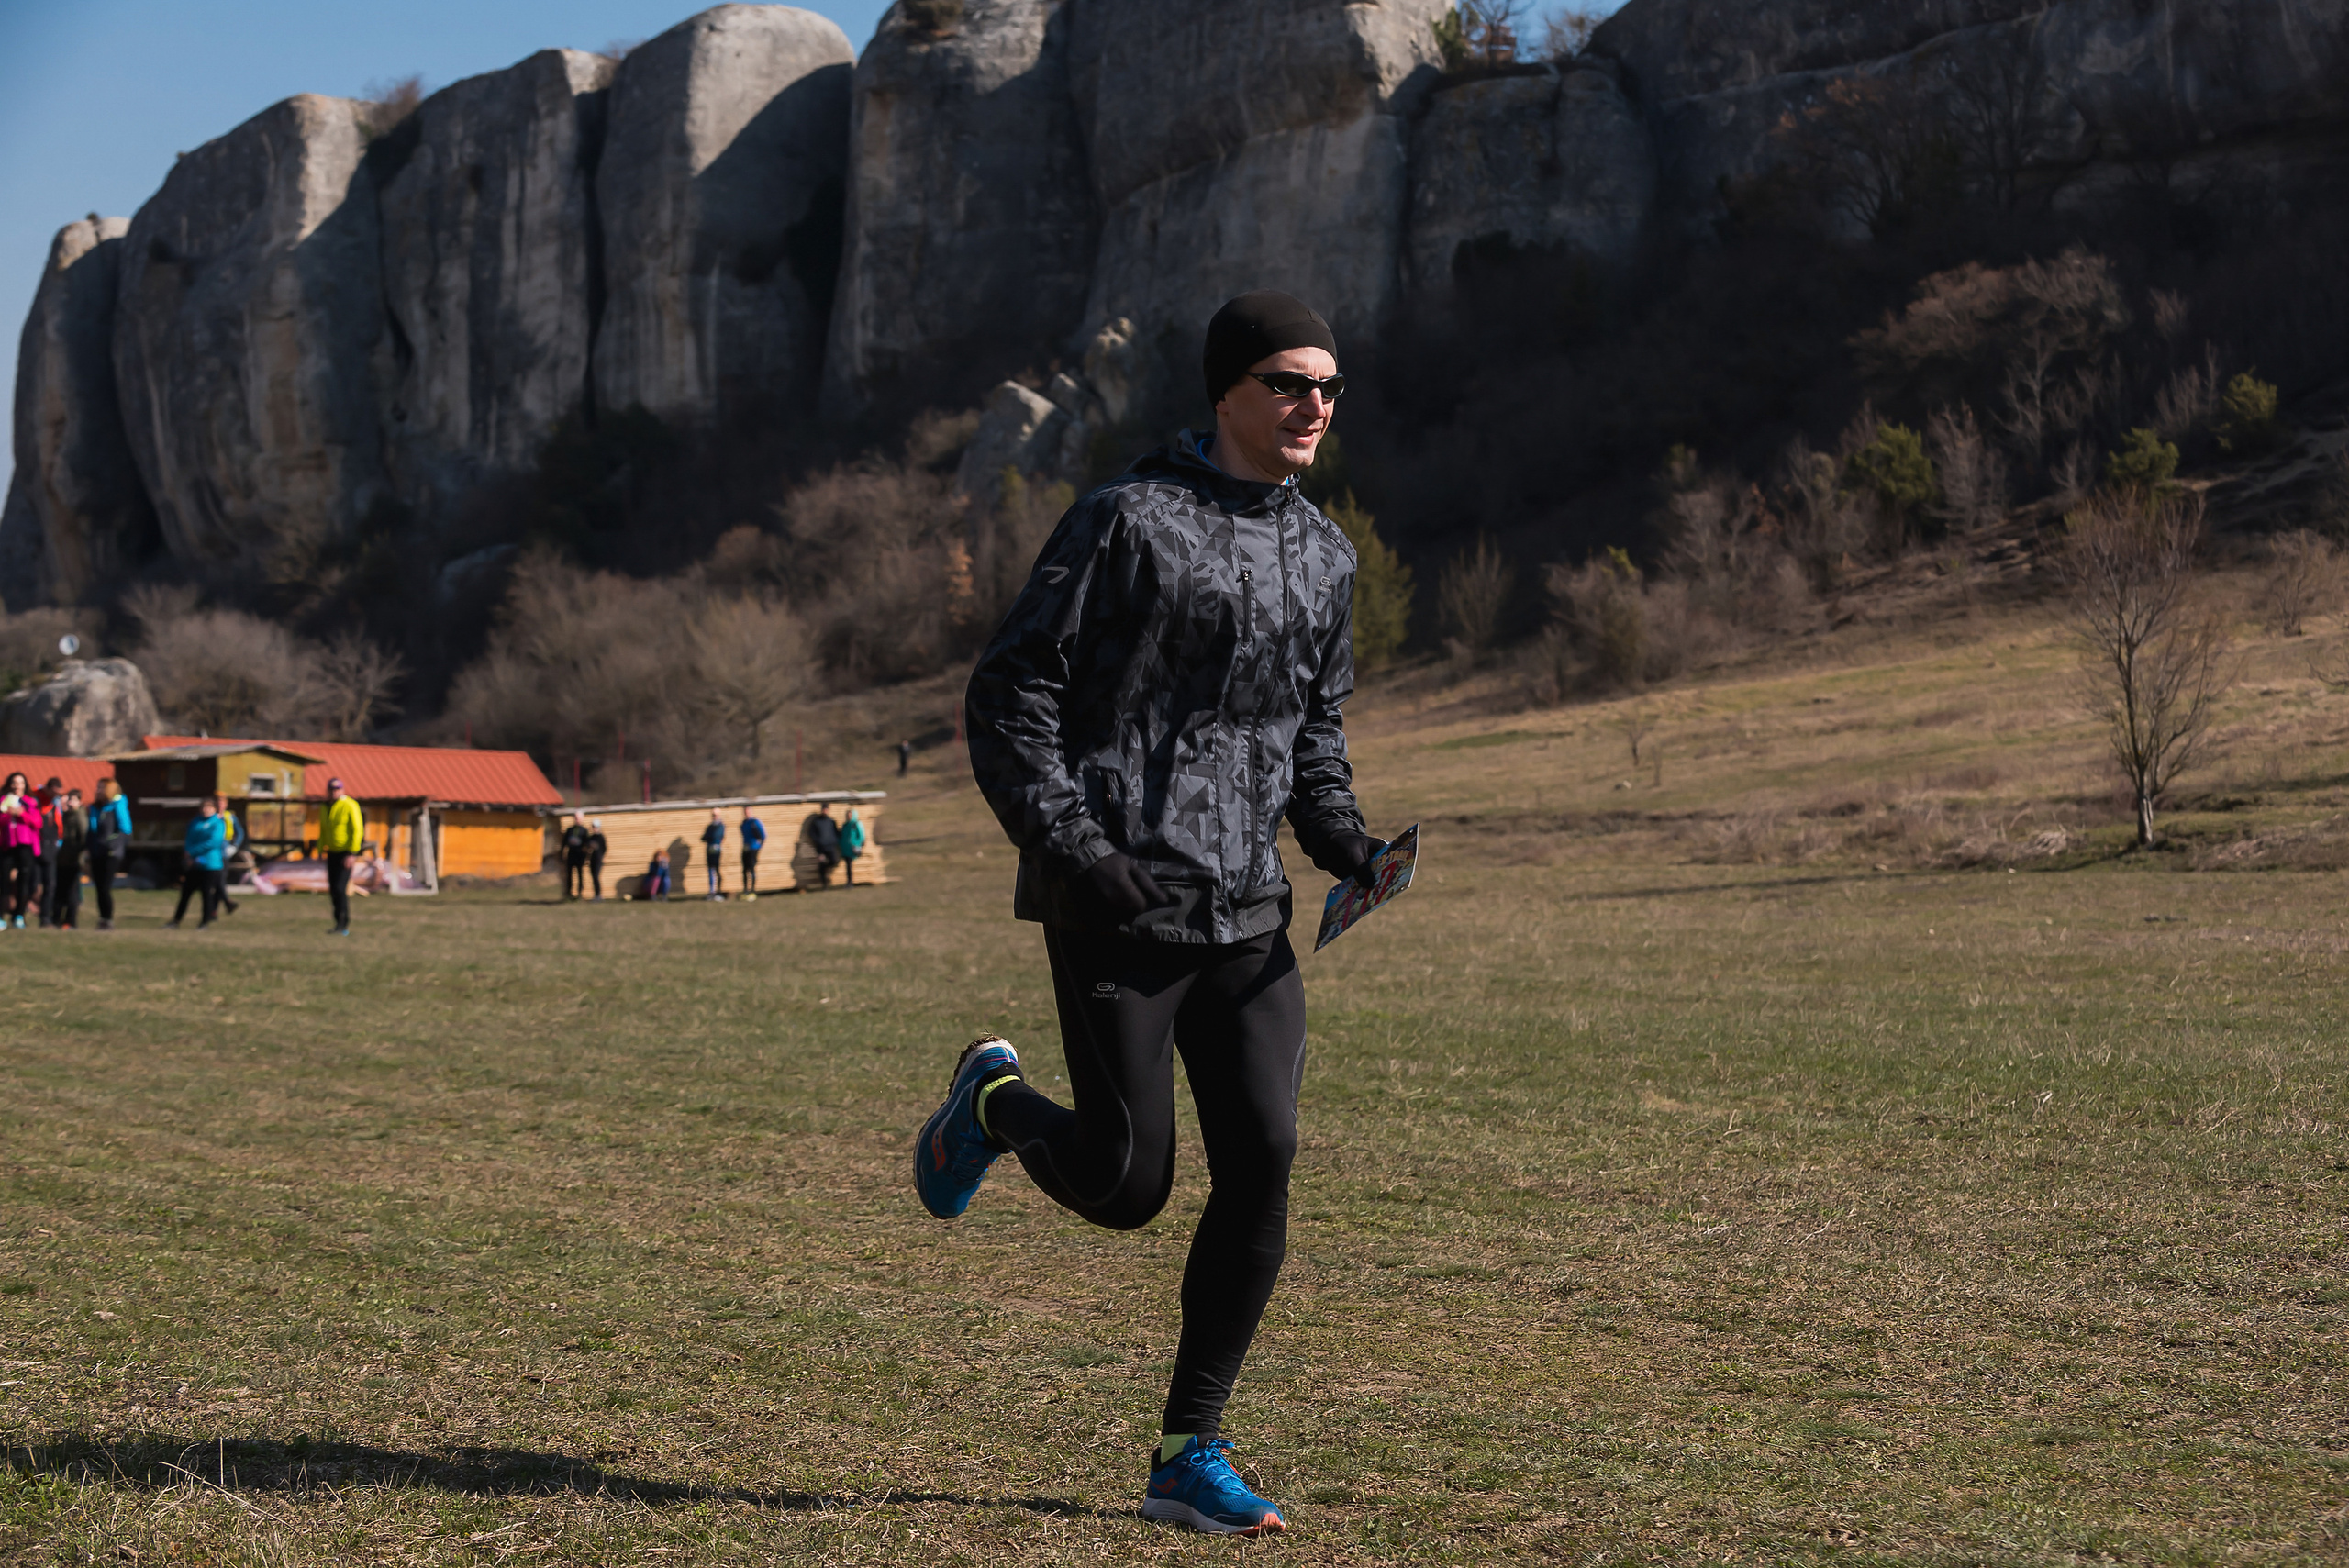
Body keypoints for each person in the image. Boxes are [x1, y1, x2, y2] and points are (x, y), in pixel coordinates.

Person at [918, 291, 1384, 1538]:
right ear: (1228, 388)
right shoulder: (1127, 520)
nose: (1314, 406)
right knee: (1128, 1185)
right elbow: (1012, 689)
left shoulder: (1325, 556)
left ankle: (1190, 1447)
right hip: (1117, 899)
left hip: (1248, 916)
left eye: (1330, 388)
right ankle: (996, 1105)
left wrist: (1345, 840)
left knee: (1266, 1161)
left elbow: (1312, 737)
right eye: (1290, 381)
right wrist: (1073, 845)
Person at [169, 797, 230, 929]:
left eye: (208, 807)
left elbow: (214, 842)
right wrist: (188, 853)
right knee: (185, 894)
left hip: (210, 865)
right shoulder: (195, 822)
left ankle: (204, 922)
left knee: (206, 894)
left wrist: (193, 852)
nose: (205, 810)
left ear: (214, 809)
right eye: (203, 807)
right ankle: (176, 921)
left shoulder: (218, 823)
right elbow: (188, 839)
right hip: (194, 864)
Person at [318, 776, 364, 936]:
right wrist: (320, 848)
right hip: (331, 852)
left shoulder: (350, 805)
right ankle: (337, 922)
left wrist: (352, 853)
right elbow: (323, 830)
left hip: (346, 853)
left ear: (342, 790)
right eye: (331, 789)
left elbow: (357, 830)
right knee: (333, 889)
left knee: (340, 888)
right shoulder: (325, 807)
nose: (334, 792)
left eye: (337, 789)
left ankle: (344, 923)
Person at [88, 777, 130, 931]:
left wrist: (111, 844)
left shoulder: (117, 805)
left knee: (105, 887)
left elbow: (125, 829)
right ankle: (102, 918)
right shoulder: (95, 808)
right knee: (99, 887)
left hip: (112, 853)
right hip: (96, 852)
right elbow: (92, 830)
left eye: (100, 788)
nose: (97, 790)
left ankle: (108, 919)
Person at [1, 772, 38, 929]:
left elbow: (37, 823)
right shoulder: (3, 801)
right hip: (6, 845)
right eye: (14, 783)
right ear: (10, 784)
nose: (17, 786)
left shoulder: (31, 802)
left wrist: (22, 814)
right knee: (3, 881)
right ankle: (1, 916)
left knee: (24, 881)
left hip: (25, 845)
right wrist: (9, 813)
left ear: (25, 785)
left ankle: (19, 915)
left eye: (20, 783)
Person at [51, 788, 85, 930]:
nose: (70, 803)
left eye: (74, 800)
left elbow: (83, 838)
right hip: (61, 860)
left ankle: (70, 921)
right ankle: (56, 919)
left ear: (79, 802)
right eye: (69, 799)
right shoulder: (65, 815)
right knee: (60, 891)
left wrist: (77, 855)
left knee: (72, 893)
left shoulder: (79, 817)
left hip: (73, 861)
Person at [33, 778, 61, 928]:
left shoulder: (55, 806)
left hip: (50, 851)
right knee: (32, 885)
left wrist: (58, 845)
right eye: (54, 792)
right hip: (34, 850)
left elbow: (59, 829)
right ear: (48, 789)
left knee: (50, 886)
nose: (55, 796)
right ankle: (20, 915)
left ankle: (45, 918)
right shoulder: (34, 800)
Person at [802, 802, 840, 886]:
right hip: (820, 848)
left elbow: (836, 832)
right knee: (821, 866)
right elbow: (811, 833)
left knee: (834, 861)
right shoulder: (816, 822)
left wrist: (834, 841)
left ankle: (827, 868)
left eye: (826, 810)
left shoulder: (831, 821)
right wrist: (818, 841)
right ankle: (824, 885)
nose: (824, 811)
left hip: (831, 846)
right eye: (823, 809)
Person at [562, 815, 592, 900]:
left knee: (580, 875)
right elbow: (564, 843)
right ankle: (568, 893)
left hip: (580, 856)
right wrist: (562, 855)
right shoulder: (570, 830)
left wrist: (586, 856)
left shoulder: (584, 831)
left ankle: (580, 893)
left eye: (579, 818)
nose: (577, 820)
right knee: (569, 875)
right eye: (576, 818)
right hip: (571, 856)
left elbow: (587, 844)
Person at [740, 806, 766, 897]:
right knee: (744, 870)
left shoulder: (755, 822)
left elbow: (763, 835)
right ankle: (745, 890)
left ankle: (753, 890)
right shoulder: (743, 824)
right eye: (745, 811)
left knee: (752, 868)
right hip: (746, 848)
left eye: (748, 811)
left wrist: (758, 847)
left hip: (753, 848)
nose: (746, 813)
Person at [700, 809, 726, 900]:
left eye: (715, 815)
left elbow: (716, 836)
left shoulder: (720, 825)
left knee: (716, 870)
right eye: (713, 815)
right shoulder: (710, 826)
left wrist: (709, 837)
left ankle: (719, 891)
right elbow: (703, 837)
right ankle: (712, 891)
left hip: (716, 850)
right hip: (709, 849)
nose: (714, 817)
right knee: (711, 870)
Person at [840, 806, 867, 885]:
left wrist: (856, 844)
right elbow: (843, 836)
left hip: (852, 849)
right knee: (848, 865)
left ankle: (850, 882)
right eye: (848, 815)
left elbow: (861, 836)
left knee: (849, 865)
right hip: (845, 849)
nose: (849, 816)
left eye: (850, 815)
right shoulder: (845, 825)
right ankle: (849, 881)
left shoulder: (856, 824)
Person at [586, 818, 608, 901]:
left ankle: (599, 895)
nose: (594, 829)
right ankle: (596, 895)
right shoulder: (591, 837)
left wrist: (601, 856)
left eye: (595, 827)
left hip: (598, 860)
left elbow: (604, 848)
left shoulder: (601, 837)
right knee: (593, 877)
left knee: (596, 877)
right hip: (592, 860)